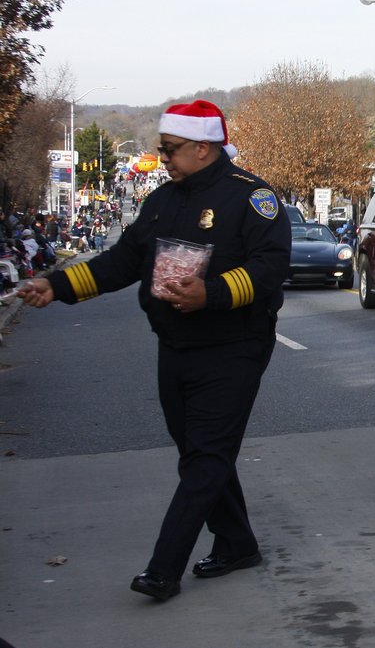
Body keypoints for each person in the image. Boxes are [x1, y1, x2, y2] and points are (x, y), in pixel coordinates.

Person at [18, 99, 291, 600]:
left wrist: (212, 293)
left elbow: (270, 267)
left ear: (203, 148)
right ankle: (237, 542)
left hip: (233, 346)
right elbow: (123, 261)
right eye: (161, 148)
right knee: (199, 453)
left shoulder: (252, 198)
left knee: (205, 457)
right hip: (175, 344)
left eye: (170, 149)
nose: (162, 157)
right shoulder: (163, 199)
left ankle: (164, 569)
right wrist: (57, 285)